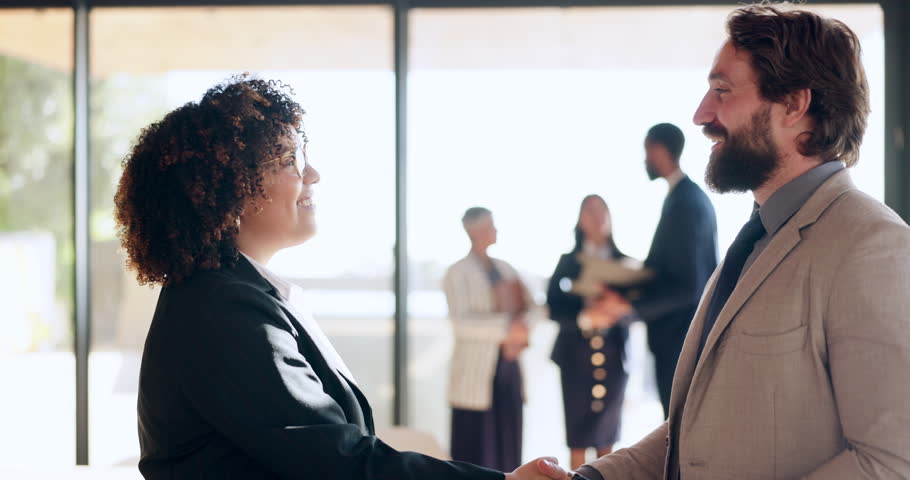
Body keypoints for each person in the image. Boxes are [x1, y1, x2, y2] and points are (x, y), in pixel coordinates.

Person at [115, 75, 570, 480]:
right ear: (235, 187)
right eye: (289, 161)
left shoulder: (235, 294)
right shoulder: (220, 307)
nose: (313, 174)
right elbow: (338, 461)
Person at [577, 5, 910, 480]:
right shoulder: (757, 239)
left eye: (722, 91)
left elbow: (891, 462)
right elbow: (694, 430)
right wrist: (590, 478)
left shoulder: (873, 247)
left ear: (794, 105)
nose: (700, 115)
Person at [635, 123, 717, 418]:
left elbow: (687, 287)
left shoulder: (686, 203)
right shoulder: (683, 198)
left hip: (679, 342)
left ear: (658, 149)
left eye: (646, 150)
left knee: (676, 430)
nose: (645, 159)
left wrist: (629, 308)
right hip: (678, 339)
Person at [546, 195, 632, 471]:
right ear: (580, 219)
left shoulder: (626, 262)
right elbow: (553, 307)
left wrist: (616, 309)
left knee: (608, 433)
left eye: (602, 210)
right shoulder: (568, 262)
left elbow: (638, 306)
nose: (596, 217)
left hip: (613, 356)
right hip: (574, 356)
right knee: (578, 435)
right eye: (589, 211)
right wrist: (586, 316)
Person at [443, 207, 531, 472]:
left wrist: (521, 327)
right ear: (475, 230)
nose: (496, 230)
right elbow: (461, 324)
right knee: (474, 452)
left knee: (509, 444)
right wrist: (508, 327)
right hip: (476, 374)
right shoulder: (457, 272)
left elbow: (532, 308)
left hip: (508, 365)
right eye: (490, 225)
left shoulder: (506, 268)